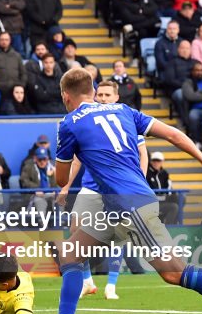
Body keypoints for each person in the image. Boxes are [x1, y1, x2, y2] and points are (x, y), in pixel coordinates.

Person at [22, 68, 202, 314]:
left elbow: (61, 179)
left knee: (174, 272)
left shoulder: (69, 123)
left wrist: (70, 155)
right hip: (119, 203)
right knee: (71, 253)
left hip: (130, 205)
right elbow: (171, 133)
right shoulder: (124, 110)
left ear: (65, 96)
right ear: (94, 90)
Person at [57, 80, 147, 301]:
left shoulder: (126, 118)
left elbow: (142, 154)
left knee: (118, 235)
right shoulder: (86, 121)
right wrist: (66, 185)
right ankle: (87, 281)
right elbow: (76, 159)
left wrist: (140, 181)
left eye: (108, 95)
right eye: (101, 94)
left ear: (116, 98)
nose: (104, 98)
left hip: (117, 188)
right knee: (75, 226)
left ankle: (111, 285)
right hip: (91, 185)